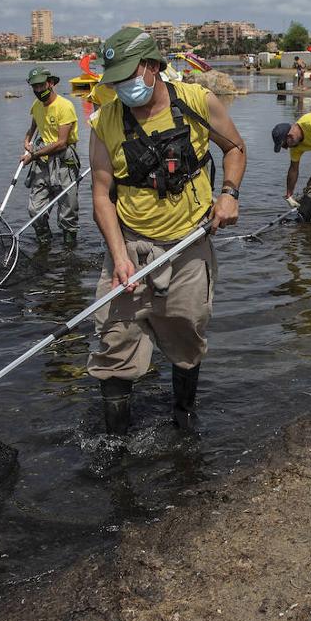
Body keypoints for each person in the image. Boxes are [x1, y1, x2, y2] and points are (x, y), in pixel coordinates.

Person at [86, 27, 246, 435]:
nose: (123, 86)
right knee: (114, 342)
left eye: (129, 75)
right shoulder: (104, 121)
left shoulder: (196, 100)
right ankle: (116, 445)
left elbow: (235, 148)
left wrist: (228, 194)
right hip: (130, 247)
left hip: (188, 245)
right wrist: (119, 255)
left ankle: (183, 417)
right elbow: (101, 195)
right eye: (116, 79)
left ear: (154, 66)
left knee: (186, 334)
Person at [21, 66, 81, 245]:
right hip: (42, 161)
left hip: (63, 161)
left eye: (41, 86)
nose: (38, 90)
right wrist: (27, 141)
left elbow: (61, 142)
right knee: (35, 208)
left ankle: (69, 248)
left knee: (67, 210)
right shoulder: (37, 105)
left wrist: (33, 155)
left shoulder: (65, 106)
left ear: (51, 83)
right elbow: (33, 126)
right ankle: (44, 242)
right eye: (35, 87)